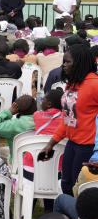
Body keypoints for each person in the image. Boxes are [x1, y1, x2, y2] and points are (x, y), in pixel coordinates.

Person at [41, 44, 98, 196]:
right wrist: (51, 143)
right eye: (63, 62)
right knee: (66, 184)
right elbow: (66, 118)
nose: (64, 65)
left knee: (79, 188)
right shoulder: (71, 85)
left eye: (68, 62)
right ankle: (69, 218)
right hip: (72, 143)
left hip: (88, 146)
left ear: (79, 63)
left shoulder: (94, 84)